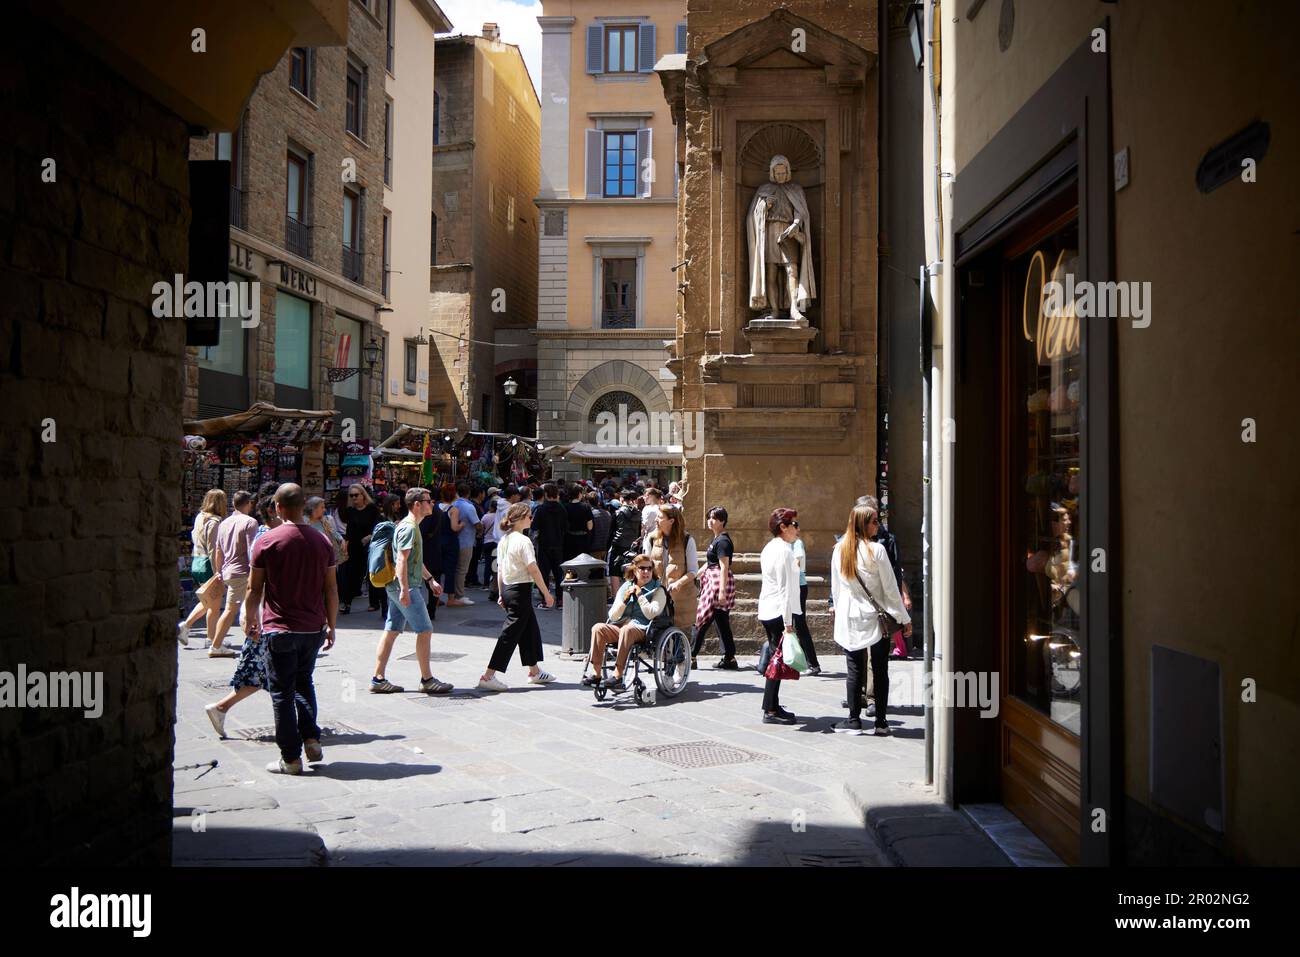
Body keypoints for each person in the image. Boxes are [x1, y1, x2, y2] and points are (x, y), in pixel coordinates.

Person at [244, 484, 337, 775]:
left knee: (282, 692)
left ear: (278, 507)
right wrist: (332, 625)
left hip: (280, 628)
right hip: (312, 628)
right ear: (303, 506)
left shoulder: (267, 541)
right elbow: (331, 589)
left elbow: (253, 587)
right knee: (304, 683)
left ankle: (291, 758)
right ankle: (311, 739)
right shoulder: (322, 541)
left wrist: (249, 619)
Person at [830, 502, 911, 736]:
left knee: (854, 668)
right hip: (876, 619)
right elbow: (890, 590)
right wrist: (903, 618)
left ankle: (854, 720)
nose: (879, 525)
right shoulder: (877, 551)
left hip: (851, 618)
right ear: (863, 524)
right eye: (875, 521)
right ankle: (881, 723)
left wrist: (837, 611)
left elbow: (837, 589)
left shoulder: (839, 550)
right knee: (880, 668)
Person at [370, 488, 453, 695]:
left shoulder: (411, 526)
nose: (432, 504)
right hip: (405, 586)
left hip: (400, 585)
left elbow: (415, 560)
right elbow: (402, 560)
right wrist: (405, 589)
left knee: (392, 630)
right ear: (417, 504)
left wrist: (430, 580)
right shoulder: (409, 528)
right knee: (424, 630)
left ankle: (378, 678)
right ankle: (427, 679)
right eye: (428, 501)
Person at [479, 502, 556, 691]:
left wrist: (500, 592)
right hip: (520, 589)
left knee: (529, 630)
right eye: (530, 516)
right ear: (521, 519)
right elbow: (533, 569)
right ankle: (488, 675)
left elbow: (500, 569)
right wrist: (546, 593)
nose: (532, 519)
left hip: (508, 587)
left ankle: (535, 671)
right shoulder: (523, 541)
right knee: (510, 634)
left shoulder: (505, 539)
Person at [588, 555, 668, 691]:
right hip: (622, 626)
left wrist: (640, 595)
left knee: (627, 630)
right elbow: (612, 616)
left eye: (649, 568)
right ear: (635, 570)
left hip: (643, 629)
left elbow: (651, 613)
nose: (646, 572)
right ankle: (596, 674)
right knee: (598, 628)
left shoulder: (658, 589)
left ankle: (618, 675)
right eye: (642, 568)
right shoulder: (626, 586)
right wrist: (625, 600)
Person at [757, 508, 802, 725]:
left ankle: (772, 705)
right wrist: (788, 623)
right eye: (794, 524)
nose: (797, 528)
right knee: (777, 660)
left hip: (768, 608)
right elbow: (785, 588)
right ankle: (770, 709)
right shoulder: (784, 550)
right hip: (777, 610)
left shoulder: (770, 548)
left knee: (776, 657)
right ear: (782, 527)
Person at [640, 505, 699, 664]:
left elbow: (694, 570)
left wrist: (679, 582)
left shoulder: (687, 540)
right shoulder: (651, 538)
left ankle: (678, 665)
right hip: (658, 594)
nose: (656, 520)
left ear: (671, 520)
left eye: (660, 517)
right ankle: (667, 665)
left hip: (681, 597)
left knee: (678, 631)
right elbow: (645, 564)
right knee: (660, 630)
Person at [178, 489, 230, 654]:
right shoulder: (215, 521)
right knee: (214, 606)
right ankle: (209, 639)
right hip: (209, 564)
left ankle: (193, 630)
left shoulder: (200, 517)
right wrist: (218, 572)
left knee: (209, 601)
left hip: (197, 560)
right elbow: (214, 548)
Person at [208, 490, 259, 654]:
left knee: (244, 608)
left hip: (228, 571)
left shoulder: (224, 523)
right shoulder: (250, 522)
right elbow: (253, 550)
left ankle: (254, 643)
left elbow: (218, 551)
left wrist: (218, 571)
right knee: (233, 609)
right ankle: (216, 645)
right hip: (242, 571)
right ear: (249, 503)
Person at [693, 506, 738, 669]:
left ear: (722, 521)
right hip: (713, 581)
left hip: (717, 583)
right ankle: (729, 658)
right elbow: (711, 562)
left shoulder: (723, 541)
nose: (710, 521)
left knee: (702, 619)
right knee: (721, 622)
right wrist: (695, 574)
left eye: (714, 518)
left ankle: (691, 655)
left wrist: (721, 592)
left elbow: (724, 567)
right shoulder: (717, 539)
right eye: (709, 517)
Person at [338, 484, 382, 615]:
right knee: (350, 575)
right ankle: (346, 603)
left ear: (363, 495)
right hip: (354, 546)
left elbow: (379, 526)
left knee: (371, 574)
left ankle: (374, 603)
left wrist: (369, 537)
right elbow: (349, 530)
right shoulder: (350, 510)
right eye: (351, 495)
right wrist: (345, 544)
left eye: (356, 495)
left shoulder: (372, 509)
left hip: (370, 546)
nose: (354, 498)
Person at [790, 524, 823, 676]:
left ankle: (813, 664)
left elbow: (797, 563)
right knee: (794, 624)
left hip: (798, 587)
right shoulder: (788, 544)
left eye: (794, 526)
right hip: (794, 587)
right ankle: (801, 661)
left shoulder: (797, 543)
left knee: (800, 625)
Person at [531, 483, 568, 610]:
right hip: (559, 544)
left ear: (546, 494)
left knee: (544, 573)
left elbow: (534, 527)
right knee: (558, 574)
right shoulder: (562, 508)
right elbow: (566, 527)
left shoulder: (541, 509)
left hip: (544, 544)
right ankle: (560, 600)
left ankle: (545, 600)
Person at [606, 488, 642, 599]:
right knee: (631, 570)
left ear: (622, 499)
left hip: (618, 544)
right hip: (632, 546)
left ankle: (616, 597)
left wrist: (607, 547)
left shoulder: (617, 512)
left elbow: (611, 532)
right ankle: (630, 595)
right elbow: (639, 531)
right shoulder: (638, 513)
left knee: (614, 571)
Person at [449, 482, 480, 605]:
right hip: (466, 540)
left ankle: (456, 594)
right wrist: (480, 530)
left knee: (456, 569)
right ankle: (459, 594)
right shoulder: (469, 507)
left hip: (455, 540)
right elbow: (477, 523)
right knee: (462, 569)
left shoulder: (453, 504)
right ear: (468, 493)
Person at [563, 484, 594, 560]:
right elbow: (590, 527)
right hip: (583, 540)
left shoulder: (565, 507)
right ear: (579, 494)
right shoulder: (586, 507)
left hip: (569, 540)